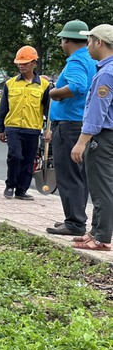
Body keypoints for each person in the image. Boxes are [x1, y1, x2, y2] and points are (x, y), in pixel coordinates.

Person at [45, 20, 96, 236]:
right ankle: (77, 218)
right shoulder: (92, 59)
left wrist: (54, 93)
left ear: (66, 40)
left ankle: (75, 222)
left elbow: (77, 86)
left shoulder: (75, 60)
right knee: (80, 175)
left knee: (68, 175)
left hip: (68, 125)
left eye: (62, 40)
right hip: (81, 123)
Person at [70, 24, 113, 251]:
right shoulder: (107, 69)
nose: (87, 46)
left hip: (103, 136)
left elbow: (98, 112)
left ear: (99, 42)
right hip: (107, 134)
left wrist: (81, 142)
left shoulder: (106, 73)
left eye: (89, 41)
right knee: (100, 184)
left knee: (102, 186)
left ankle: (102, 237)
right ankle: (96, 231)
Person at [0, 46, 51, 200]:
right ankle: (10, 185)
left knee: (28, 160)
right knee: (15, 156)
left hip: (33, 128)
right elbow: (3, 108)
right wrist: (1, 128)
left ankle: (21, 190)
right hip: (13, 127)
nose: (21, 65)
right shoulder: (10, 84)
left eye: (25, 63)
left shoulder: (44, 85)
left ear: (34, 62)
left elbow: (48, 110)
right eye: (19, 63)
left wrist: (49, 129)